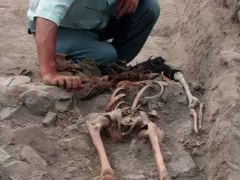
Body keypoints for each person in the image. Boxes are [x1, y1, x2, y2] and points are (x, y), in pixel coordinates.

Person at [27, 0, 160, 91]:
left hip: (98, 20)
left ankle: (114, 66)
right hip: (62, 27)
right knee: (106, 55)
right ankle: (63, 59)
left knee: (149, 7)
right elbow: (46, 16)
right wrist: (49, 72)